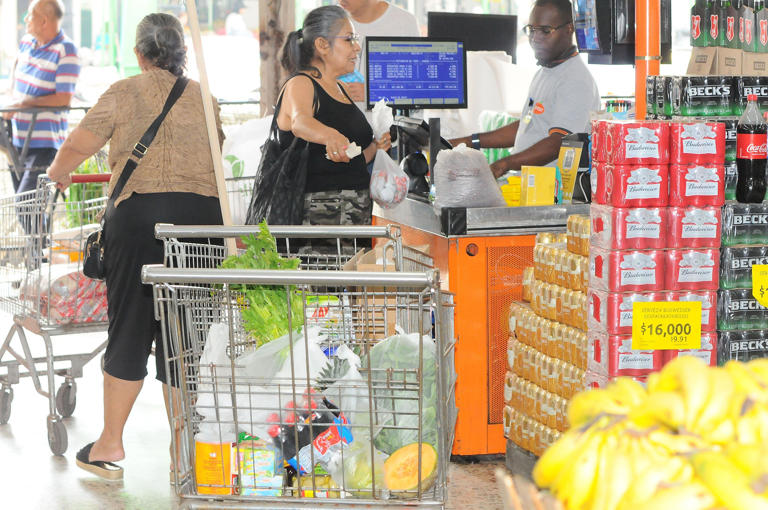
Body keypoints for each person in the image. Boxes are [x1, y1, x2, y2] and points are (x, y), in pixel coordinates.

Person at [46, 12, 224, 481]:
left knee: (130, 325)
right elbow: (216, 155)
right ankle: (183, 453)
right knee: (186, 337)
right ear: (180, 51)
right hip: (202, 223)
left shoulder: (124, 91)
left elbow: (77, 144)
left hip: (140, 219)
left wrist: (57, 173)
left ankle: (109, 445)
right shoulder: (204, 97)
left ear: (140, 53)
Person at [450, 0, 600, 178]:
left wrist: (505, 164)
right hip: (529, 185)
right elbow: (527, 125)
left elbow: (558, 142)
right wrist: (470, 141)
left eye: (545, 31)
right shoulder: (544, 72)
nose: (535, 38)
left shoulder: (575, 80)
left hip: (554, 193)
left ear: (569, 29)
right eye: (531, 30)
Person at [277, 5, 390, 234]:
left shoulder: (342, 88)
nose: (357, 48)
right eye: (349, 40)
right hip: (318, 223)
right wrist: (330, 135)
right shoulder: (301, 83)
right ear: (322, 45)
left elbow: (352, 157)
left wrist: (376, 147)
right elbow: (300, 122)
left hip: (356, 217)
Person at [2, 0, 80, 194]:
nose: (26, 19)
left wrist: (23, 104)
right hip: (17, 138)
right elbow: (16, 74)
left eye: (30, 15)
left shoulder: (65, 49)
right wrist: (12, 99)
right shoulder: (26, 42)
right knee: (28, 210)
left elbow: (63, 98)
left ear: (44, 21)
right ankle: (7, 149)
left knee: (25, 207)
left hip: (44, 144)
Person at [338, 0, 420, 107]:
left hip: (390, 120)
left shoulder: (405, 22)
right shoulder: (332, 20)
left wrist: (374, 93)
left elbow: (417, 87)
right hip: (339, 119)